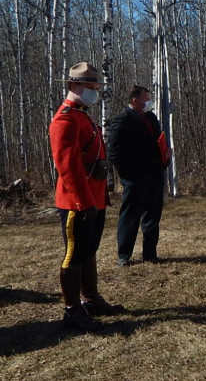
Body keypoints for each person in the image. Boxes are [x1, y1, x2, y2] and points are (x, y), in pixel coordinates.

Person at [49, 62, 122, 331]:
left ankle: (90, 299)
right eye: (90, 86)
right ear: (72, 86)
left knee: (89, 250)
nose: (94, 91)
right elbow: (68, 167)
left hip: (94, 198)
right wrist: (82, 202)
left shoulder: (83, 115)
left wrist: (99, 198)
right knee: (74, 254)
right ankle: (72, 310)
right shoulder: (65, 119)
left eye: (95, 86)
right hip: (76, 202)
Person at [107, 85, 168, 267]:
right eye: (146, 98)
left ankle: (150, 253)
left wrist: (165, 154)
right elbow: (115, 153)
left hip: (155, 174)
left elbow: (158, 140)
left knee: (153, 214)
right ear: (135, 100)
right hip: (134, 177)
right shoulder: (122, 120)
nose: (148, 101)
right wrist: (127, 176)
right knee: (130, 215)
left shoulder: (151, 118)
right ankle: (124, 254)